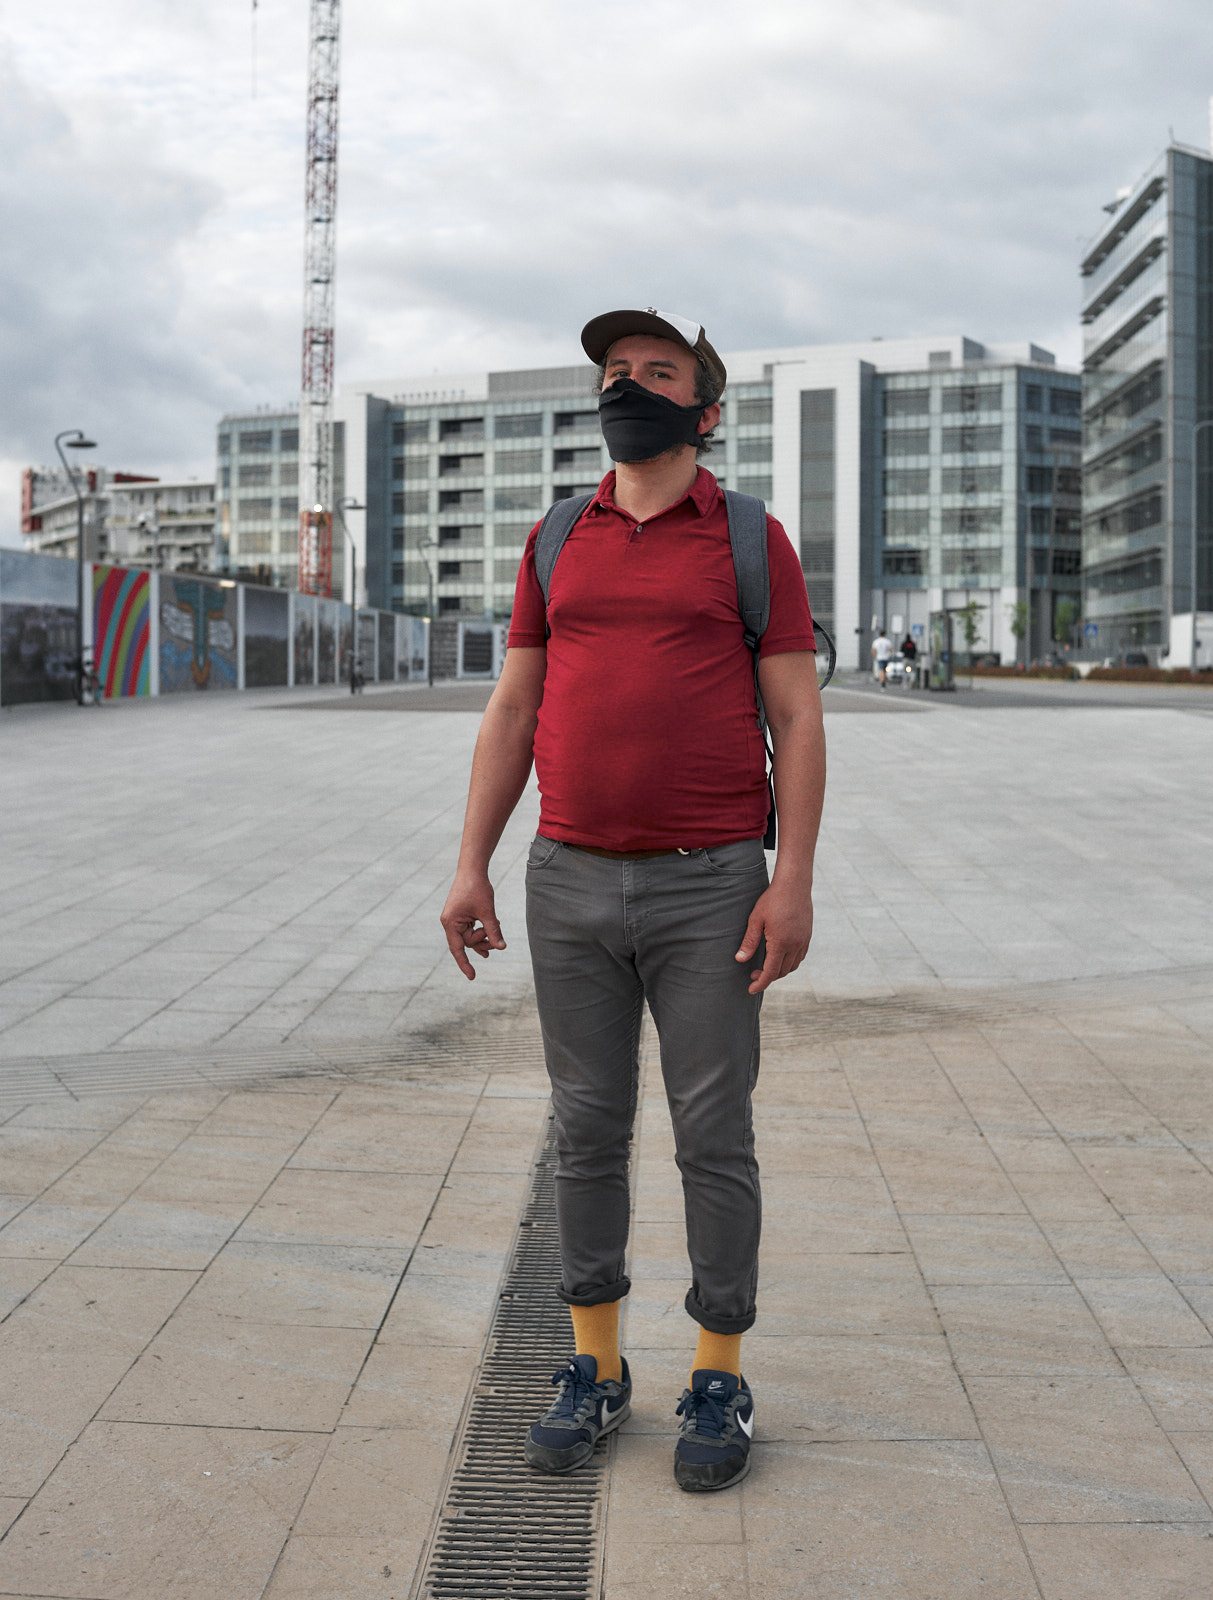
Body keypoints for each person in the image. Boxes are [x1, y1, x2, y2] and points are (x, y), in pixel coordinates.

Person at [440, 307, 826, 1493]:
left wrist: (792, 879)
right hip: (565, 874)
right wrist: (471, 863)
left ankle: (718, 1373)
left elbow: (797, 718)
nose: (628, 382)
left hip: (710, 883)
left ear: (704, 412)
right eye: (614, 369)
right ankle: (594, 1365)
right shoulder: (558, 536)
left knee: (714, 1136)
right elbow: (512, 709)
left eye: (657, 371)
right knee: (584, 1130)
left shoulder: (751, 539)